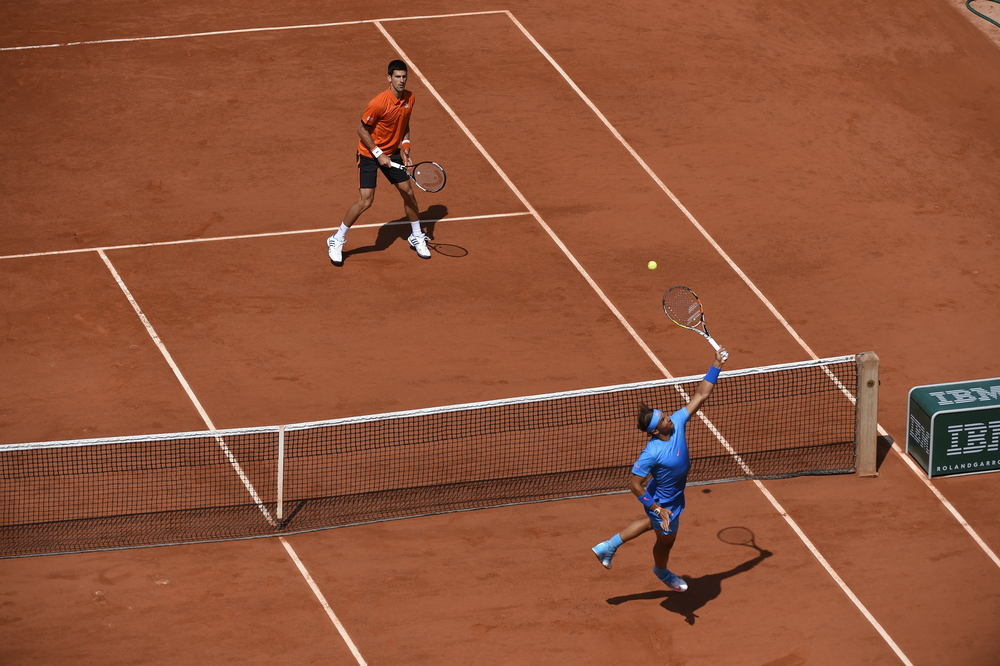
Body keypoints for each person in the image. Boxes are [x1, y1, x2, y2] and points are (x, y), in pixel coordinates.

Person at [591, 348, 728, 592]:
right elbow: (634, 484)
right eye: (664, 419)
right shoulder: (651, 453)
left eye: (666, 415)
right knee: (665, 542)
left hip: (670, 496)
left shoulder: (677, 422)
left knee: (650, 524)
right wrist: (658, 508)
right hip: (664, 501)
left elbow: (700, 395)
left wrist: (716, 363)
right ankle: (662, 572)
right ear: (655, 431)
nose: (669, 419)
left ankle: (608, 546)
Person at [327, 60, 430, 265]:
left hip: (392, 153)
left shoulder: (410, 98)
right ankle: (337, 239)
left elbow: (405, 122)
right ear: (389, 78)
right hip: (369, 153)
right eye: (398, 77)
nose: (402, 80)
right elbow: (361, 129)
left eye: (404, 76)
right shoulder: (378, 103)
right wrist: (377, 153)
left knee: (408, 192)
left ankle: (416, 235)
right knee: (366, 201)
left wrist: (406, 148)